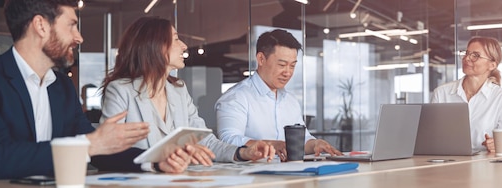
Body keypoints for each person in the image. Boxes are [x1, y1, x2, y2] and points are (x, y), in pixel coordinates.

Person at [0, 0, 181, 179]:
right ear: (41, 26)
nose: (79, 37)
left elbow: (94, 146)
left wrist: (156, 161)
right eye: (71, 25)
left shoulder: (61, 86)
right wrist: (90, 144)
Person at [99, 16, 276, 173]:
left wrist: (244, 152)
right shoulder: (120, 90)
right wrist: (157, 162)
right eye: (175, 39)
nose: (184, 46)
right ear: (154, 46)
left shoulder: (179, 91)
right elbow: (108, 150)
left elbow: (206, 142)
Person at [216, 29, 342, 161]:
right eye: (282, 65)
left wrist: (315, 144)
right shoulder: (236, 97)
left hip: (288, 176)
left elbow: (301, 140)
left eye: (292, 66)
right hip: (252, 177)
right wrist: (270, 145)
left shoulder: (290, 101)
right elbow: (228, 140)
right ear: (261, 59)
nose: (287, 73)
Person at [431, 36, 502, 153]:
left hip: (485, 166)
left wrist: (497, 145)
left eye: (475, 56)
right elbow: (430, 138)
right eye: (467, 53)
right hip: (448, 162)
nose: (467, 58)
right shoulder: (441, 94)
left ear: (492, 65)